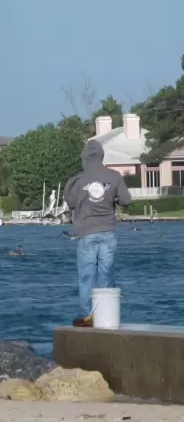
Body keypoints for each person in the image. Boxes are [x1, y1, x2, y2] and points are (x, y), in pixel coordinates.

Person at [63, 139, 132, 327]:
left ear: (84, 157)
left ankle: (89, 315)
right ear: (102, 156)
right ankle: (107, 315)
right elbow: (127, 200)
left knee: (86, 275)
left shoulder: (77, 180)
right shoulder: (115, 176)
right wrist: (113, 197)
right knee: (106, 274)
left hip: (86, 232)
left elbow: (70, 201)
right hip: (108, 231)